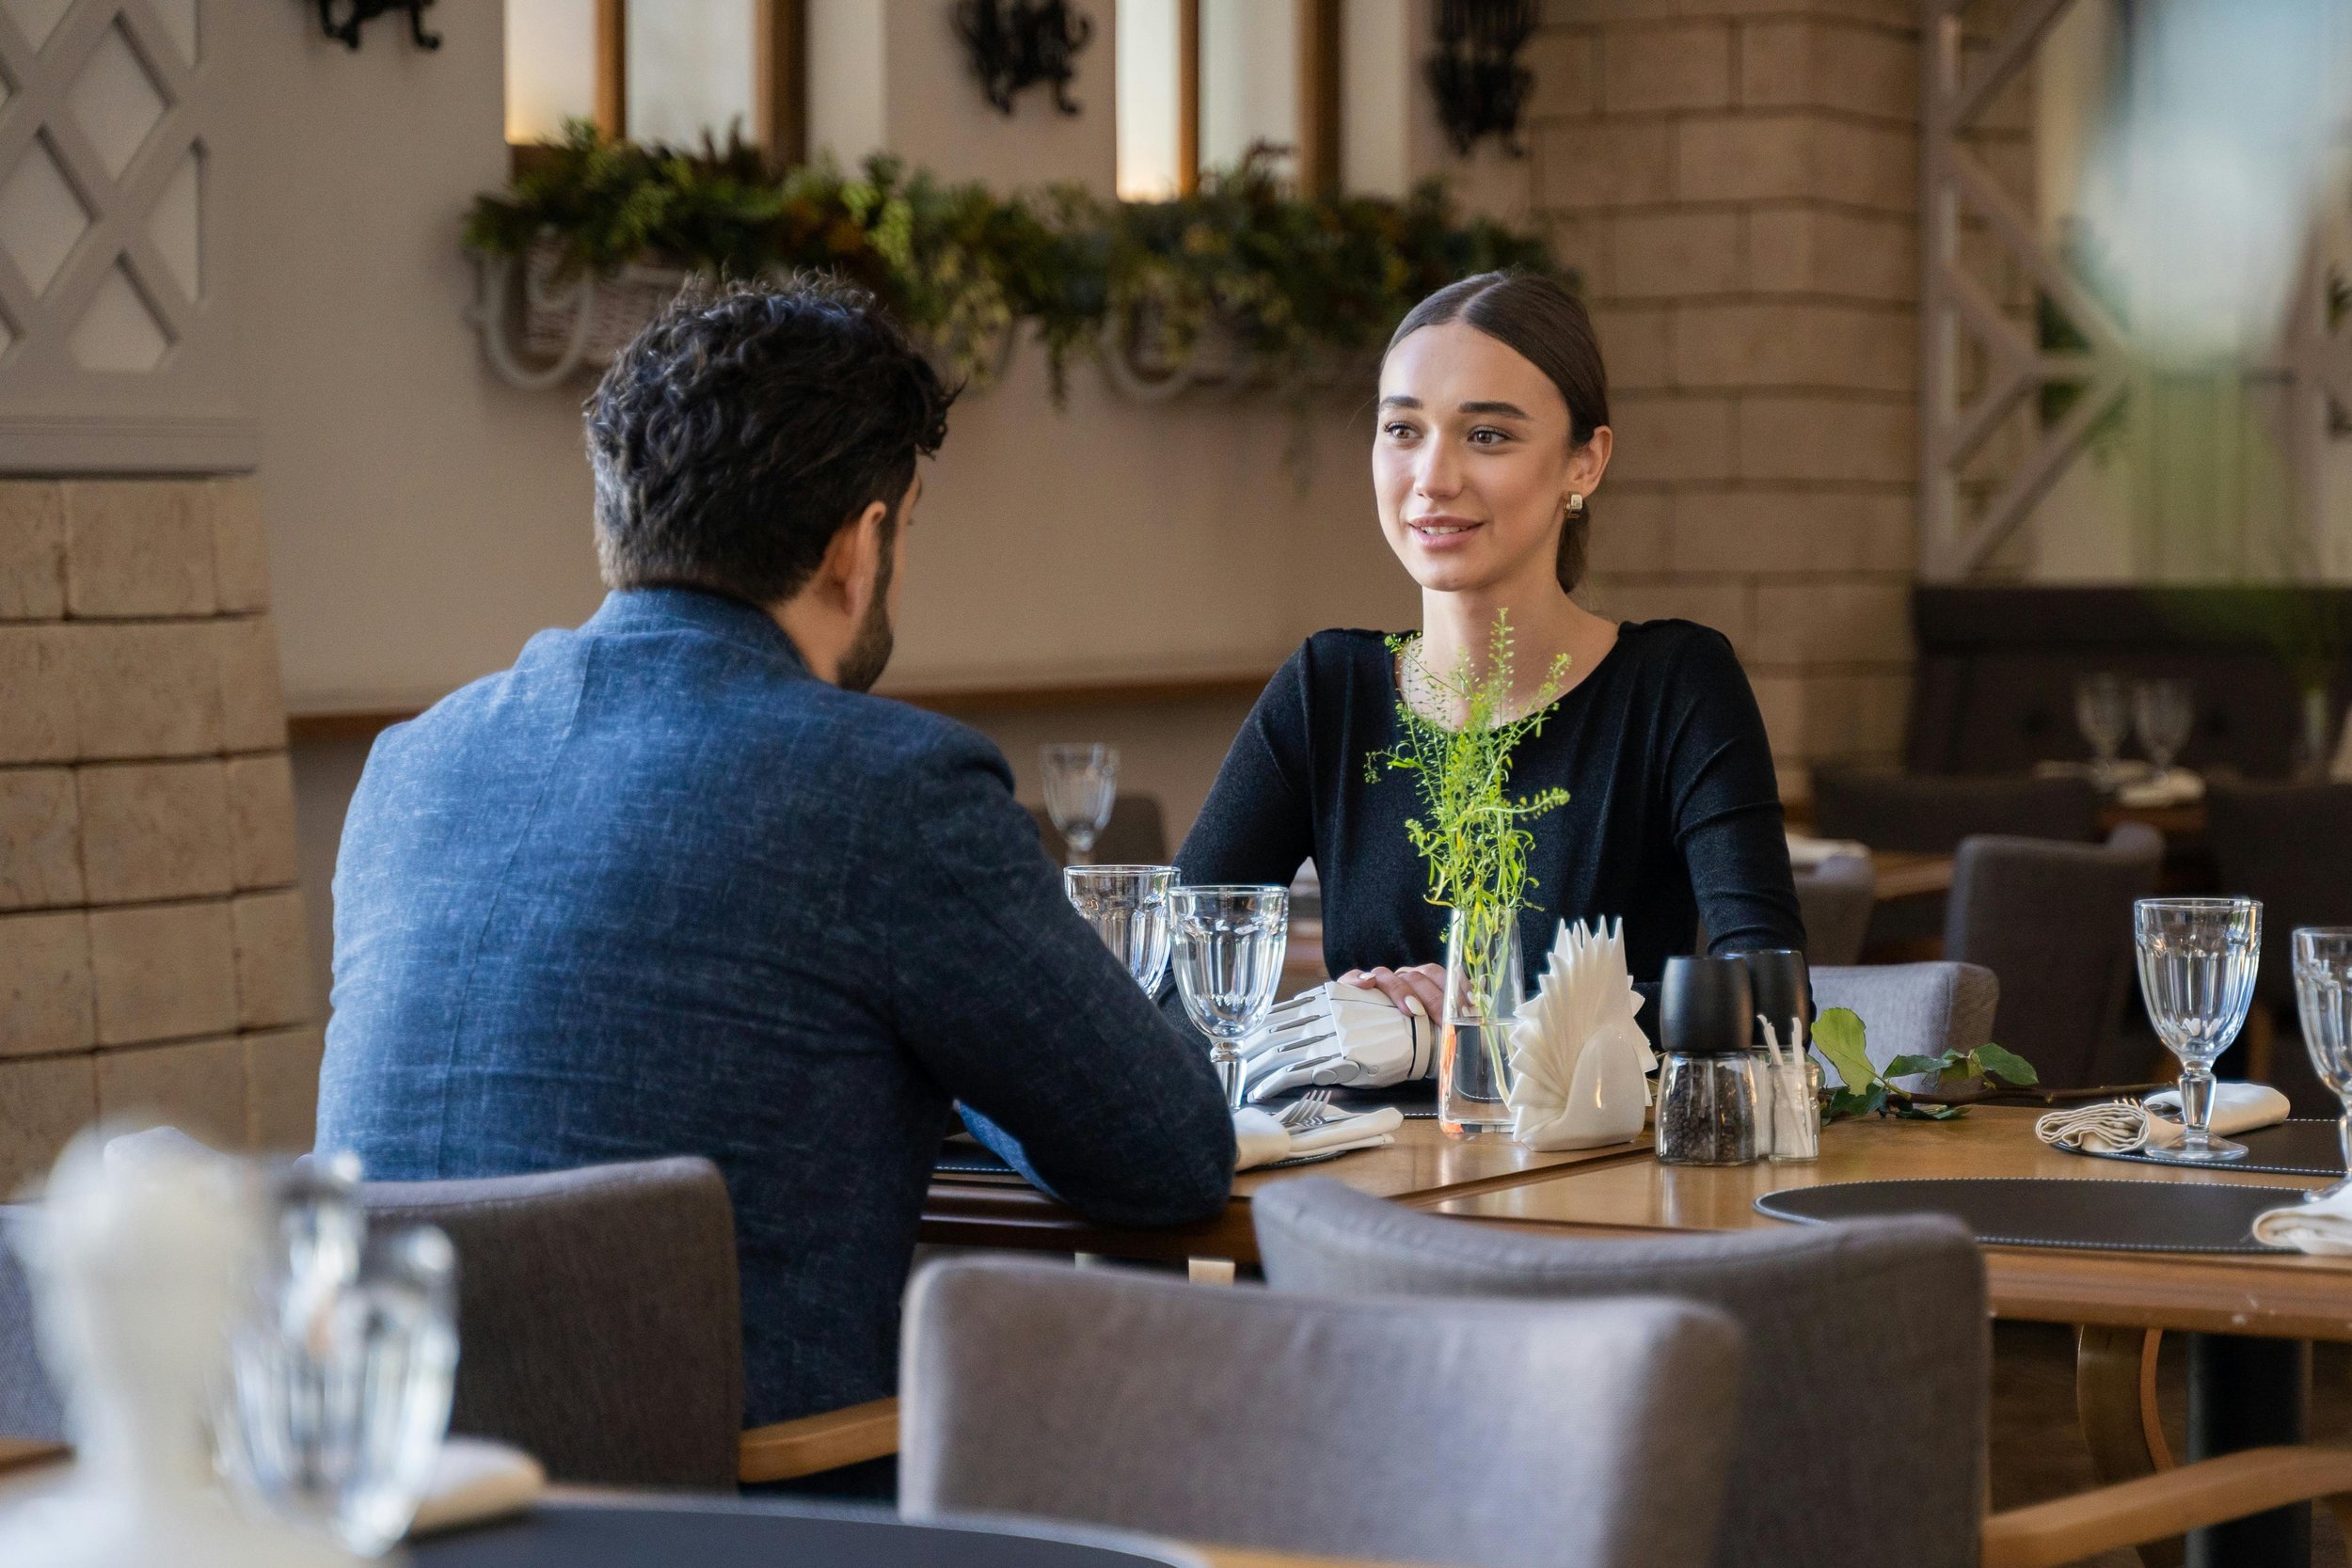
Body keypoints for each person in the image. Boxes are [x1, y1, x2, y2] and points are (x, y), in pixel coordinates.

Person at [317, 277, 1235, 1454]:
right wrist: (954, 1047)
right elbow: (1165, 1150)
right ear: (862, 544)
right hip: (752, 1513)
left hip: (400, 1509)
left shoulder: (409, 767)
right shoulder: (885, 785)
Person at [1175, 271, 1803, 1028]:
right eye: (1403, 430)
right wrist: (1339, 1011)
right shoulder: (1327, 690)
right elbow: (1170, 984)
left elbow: (1769, 1004)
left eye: (1487, 436)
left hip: (1598, 1150)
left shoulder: (1676, 685)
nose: (1433, 478)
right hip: (1368, 1147)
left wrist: (1488, 1024)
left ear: (1585, 462)